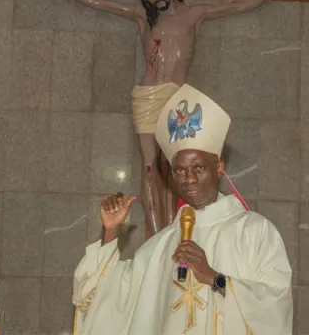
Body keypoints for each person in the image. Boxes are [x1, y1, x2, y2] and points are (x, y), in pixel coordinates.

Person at [27, 0, 307, 237]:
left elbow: (237, 4)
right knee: (149, 167)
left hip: (177, 99)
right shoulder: (142, 17)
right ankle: (154, 232)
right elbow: (100, 2)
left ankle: (174, 230)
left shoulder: (193, 14)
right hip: (147, 97)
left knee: (177, 165)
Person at [72, 84, 294, 334]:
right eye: (179, 170)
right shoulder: (160, 246)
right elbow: (111, 300)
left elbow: (274, 304)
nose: (188, 179)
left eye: (198, 168)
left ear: (219, 168)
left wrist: (213, 277)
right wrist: (111, 231)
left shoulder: (254, 232)